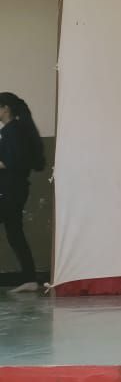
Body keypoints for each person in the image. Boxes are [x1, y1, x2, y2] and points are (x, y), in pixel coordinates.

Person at [0, 93, 46, 294]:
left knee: (15, 233)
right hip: (13, 190)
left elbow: (12, 162)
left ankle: (30, 278)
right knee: (15, 234)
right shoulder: (14, 130)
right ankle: (30, 279)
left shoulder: (13, 131)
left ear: (5, 108)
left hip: (10, 191)